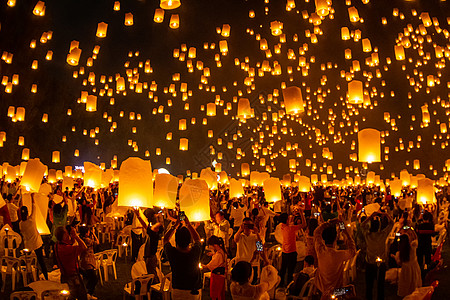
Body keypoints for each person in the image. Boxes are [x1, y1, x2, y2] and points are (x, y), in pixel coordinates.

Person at [163, 213, 203, 299]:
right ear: (189, 240)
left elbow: (165, 239)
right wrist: (188, 225)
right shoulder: (195, 252)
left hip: (178, 290)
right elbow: (197, 239)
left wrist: (175, 225)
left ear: (176, 240)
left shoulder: (172, 253)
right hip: (193, 291)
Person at [314, 219, 356, 297]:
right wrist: (345, 232)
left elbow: (316, 232)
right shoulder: (340, 255)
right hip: (336, 292)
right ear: (336, 238)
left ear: (323, 239)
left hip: (320, 290)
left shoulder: (320, 250)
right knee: (350, 289)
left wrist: (327, 223)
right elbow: (353, 251)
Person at [361, 211, 394, 300]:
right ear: (379, 226)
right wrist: (386, 214)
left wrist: (371, 216)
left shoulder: (367, 235)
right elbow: (392, 223)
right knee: (380, 287)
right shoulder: (382, 235)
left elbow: (362, 225)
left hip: (369, 264)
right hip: (381, 264)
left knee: (369, 287)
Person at [19, 193, 48, 280]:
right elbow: (34, 206)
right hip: (37, 243)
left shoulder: (21, 224)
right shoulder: (31, 220)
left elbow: (20, 209)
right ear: (28, 212)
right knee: (41, 261)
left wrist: (21, 198)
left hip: (28, 246)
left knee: (27, 262)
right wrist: (32, 197)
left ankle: (26, 277)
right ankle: (46, 277)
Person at [55, 226, 88, 300]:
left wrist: (72, 237)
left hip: (64, 275)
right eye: (66, 233)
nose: (68, 234)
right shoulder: (66, 249)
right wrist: (76, 236)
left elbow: (71, 242)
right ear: (64, 236)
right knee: (81, 296)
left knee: (70, 297)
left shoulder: (57, 245)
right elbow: (84, 247)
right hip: (72, 277)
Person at [133, 207, 163, 279]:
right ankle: (155, 286)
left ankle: (156, 286)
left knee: (152, 274)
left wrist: (138, 216)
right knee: (152, 273)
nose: (152, 226)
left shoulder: (153, 235)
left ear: (156, 230)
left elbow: (145, 225)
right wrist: (159, 217)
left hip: (150, 258)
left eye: (154, 226)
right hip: (150, 257)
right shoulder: (154, 234)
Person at [278, 212, 305, 287]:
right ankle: (289, 287)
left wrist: (292, 216)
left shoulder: (282, 226)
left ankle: (281, 284)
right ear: (286, 220)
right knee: (290, 271)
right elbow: (304, 225)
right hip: (291, 252)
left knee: (283, 270)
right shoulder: (290, 228)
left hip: (284, 252)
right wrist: (301, 213)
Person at [234, 217, 261, 284]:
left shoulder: (255, 236)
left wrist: (257, 233)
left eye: (249, 225)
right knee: (240, 283)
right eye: (245, 225)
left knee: (252, 283)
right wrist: (240, 229)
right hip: (241, 262)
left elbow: (260, 248)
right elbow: (235, 239)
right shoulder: (240, 236)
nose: (247, 227)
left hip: (252, 263)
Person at [395, 230, 422, 297]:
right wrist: (412, 230)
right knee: (414, 282)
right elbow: (416, 239)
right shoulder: (413, 247)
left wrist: (394, 257)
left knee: (406, 283)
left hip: (405, 269)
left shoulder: (401, 252)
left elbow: (399, 262)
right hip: (414, 267)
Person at [202, 235, 227, 300]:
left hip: (217, 276)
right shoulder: (222, 251)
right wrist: (213, 254)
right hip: (222, 275)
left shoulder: (219, 254)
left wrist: (204, 266)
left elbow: (212, 264)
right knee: (220, 294)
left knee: (215, 294)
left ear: (215, 245)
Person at [78, 226, 99, 299]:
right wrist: (94, 233)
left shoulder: (81, 239)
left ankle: (87, 291)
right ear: (86, 233)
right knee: (94, 278)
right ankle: (88, 293)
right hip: (88, 261)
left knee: (90, 276)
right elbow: (97, 242)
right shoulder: (87, 240)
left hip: (84, 260)